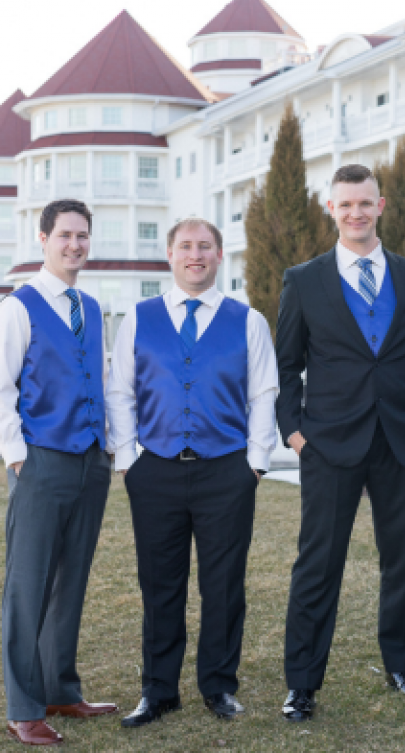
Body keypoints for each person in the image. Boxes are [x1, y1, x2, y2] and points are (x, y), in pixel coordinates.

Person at [276, 164, 405, 721]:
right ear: (332, 209)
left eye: (365, 203)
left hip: (401, 442)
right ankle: (302, 683)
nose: (356, 213)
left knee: (402, 561)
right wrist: (295, 433)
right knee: (318, 563)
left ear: (380, 205)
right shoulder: (304, 279)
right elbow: (286, 368)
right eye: (346, 204)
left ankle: (402, 665)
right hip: (329, 443)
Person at [106, 218, 278, 727]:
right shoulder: (139, 318)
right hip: (154, 470)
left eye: (205, 246)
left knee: (224, 584)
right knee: (160, 584)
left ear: (220, 255)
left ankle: (219, 686)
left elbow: (262, 395)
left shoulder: (248, 321)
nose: (195, 254)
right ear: (170, 254)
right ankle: (158, 691)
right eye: (186, 246)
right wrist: (127, 460)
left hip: (226, 471)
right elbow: (120, 392)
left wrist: (256, 464)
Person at [0, 199, 116, 746]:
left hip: (91, 461)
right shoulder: (18, 306)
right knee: (28, 587)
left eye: (83, 236)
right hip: (41, 460)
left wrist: (109, 447)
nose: (75, 244)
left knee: (71, 583)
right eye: (65, 234)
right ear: (43, 238)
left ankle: (59, 689)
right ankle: (24, 708)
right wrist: (17, 456)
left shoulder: (90, 307)